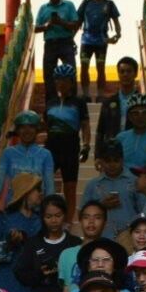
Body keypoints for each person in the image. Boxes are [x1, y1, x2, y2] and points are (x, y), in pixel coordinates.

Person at [0, 175, 45, 292]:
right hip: (8, 281)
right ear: (26, 192)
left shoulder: (41, 221)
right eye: (37, 189)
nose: (41, 193)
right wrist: (9, 243)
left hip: (34, 283)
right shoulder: (3, 218)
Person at [12, 195, 75, 292]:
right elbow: (20, 273)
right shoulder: (33, 243)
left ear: (65, 215)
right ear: (42, 217)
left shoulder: (74, 243)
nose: (54, 220)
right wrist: (40, 273)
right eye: (48, 217)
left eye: (58, 215)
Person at [43, 65, 90, 202]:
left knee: (70, 188)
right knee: (44, 183)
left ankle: (69, 216)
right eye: (58, 79)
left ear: (72, 82)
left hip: (70, 148)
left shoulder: (79, 102)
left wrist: (86, 146)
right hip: (51, 147)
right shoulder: (50, 102)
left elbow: (85, 126)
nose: (61, 83)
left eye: (65, 80)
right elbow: (45, 125)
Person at [0, 114, 56, 204]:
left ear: (37, 130)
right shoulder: (8, 153)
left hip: (37, 207)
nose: (27, 131)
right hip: (12, 206)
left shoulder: (46, 155)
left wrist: (50, 206)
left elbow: (49, 185)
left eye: (31, 127)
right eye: (22, 127)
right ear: (17, 130)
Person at [81, 140, 138, 240]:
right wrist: (101, 206)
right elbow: (82, 214)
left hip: (129, 238)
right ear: (101, 161)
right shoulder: (92, 185)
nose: (112, 164)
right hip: (101, 238)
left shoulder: (135, 182)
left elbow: (144, 211)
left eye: (116, 160)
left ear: (122, 160)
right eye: (107, 161)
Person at [75, 0, 121, 99]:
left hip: (102, 42)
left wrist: (117, 34)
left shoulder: (109, 4)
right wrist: (71, 38)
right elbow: (78, 22)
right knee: (84, 67)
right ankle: (86, 95)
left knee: (100, 68)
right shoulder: (86, 3)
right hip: (86, 41)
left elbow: (116, 22)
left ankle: (100, 95)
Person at [33, 0, 79, 75]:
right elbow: (35, 29)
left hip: (66, 43)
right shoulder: (43, 8)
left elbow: (75, 25)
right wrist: (47, 25)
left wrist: (61, 22)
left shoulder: (69, 5)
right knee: (48, 74)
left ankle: (70, 85)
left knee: (70, 73)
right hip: (50, 44)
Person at [59, 201, 108, 286]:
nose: (91, 221)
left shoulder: (111, 254)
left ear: (105, 223)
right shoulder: (66, 255)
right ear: (80, 221)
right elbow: (66, 289)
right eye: (86, 217)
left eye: (97, 217)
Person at [95, 56, 141, 142]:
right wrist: (99, 149)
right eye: (122, 71)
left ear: (135, 74)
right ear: (118, 74)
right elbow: (100, 131)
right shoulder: (108, 102)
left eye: (129, 71)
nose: (125, 75)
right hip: (113, 148)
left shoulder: (142, 102)